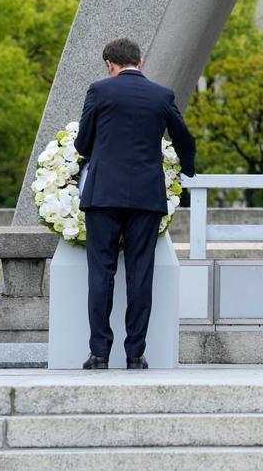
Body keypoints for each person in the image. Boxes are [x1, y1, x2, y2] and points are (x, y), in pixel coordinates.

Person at [75, 37, 196, 370]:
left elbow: (83, 141)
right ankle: (135, 353)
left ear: (110, 65)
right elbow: (184, 138)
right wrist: (187, 168)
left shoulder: (99, 91)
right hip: (146, 196)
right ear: (140, 63)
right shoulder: (162, 95)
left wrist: (91, 154)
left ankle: (99, 352)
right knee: (141, 275)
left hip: (103, 195)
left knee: (101, 273)